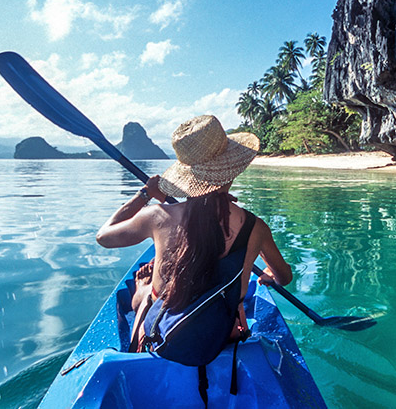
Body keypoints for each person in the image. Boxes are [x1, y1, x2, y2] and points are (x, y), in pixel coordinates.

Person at [95, 114, 293, 351]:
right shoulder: (255, 226)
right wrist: (270, 274)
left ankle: (145, 290)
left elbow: (104, 237)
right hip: (224, 336)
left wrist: (145, 194)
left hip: (164, 335)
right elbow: (284, 278)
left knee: (148, 291)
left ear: (186, 176)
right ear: (232, 169)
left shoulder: (157, 217)